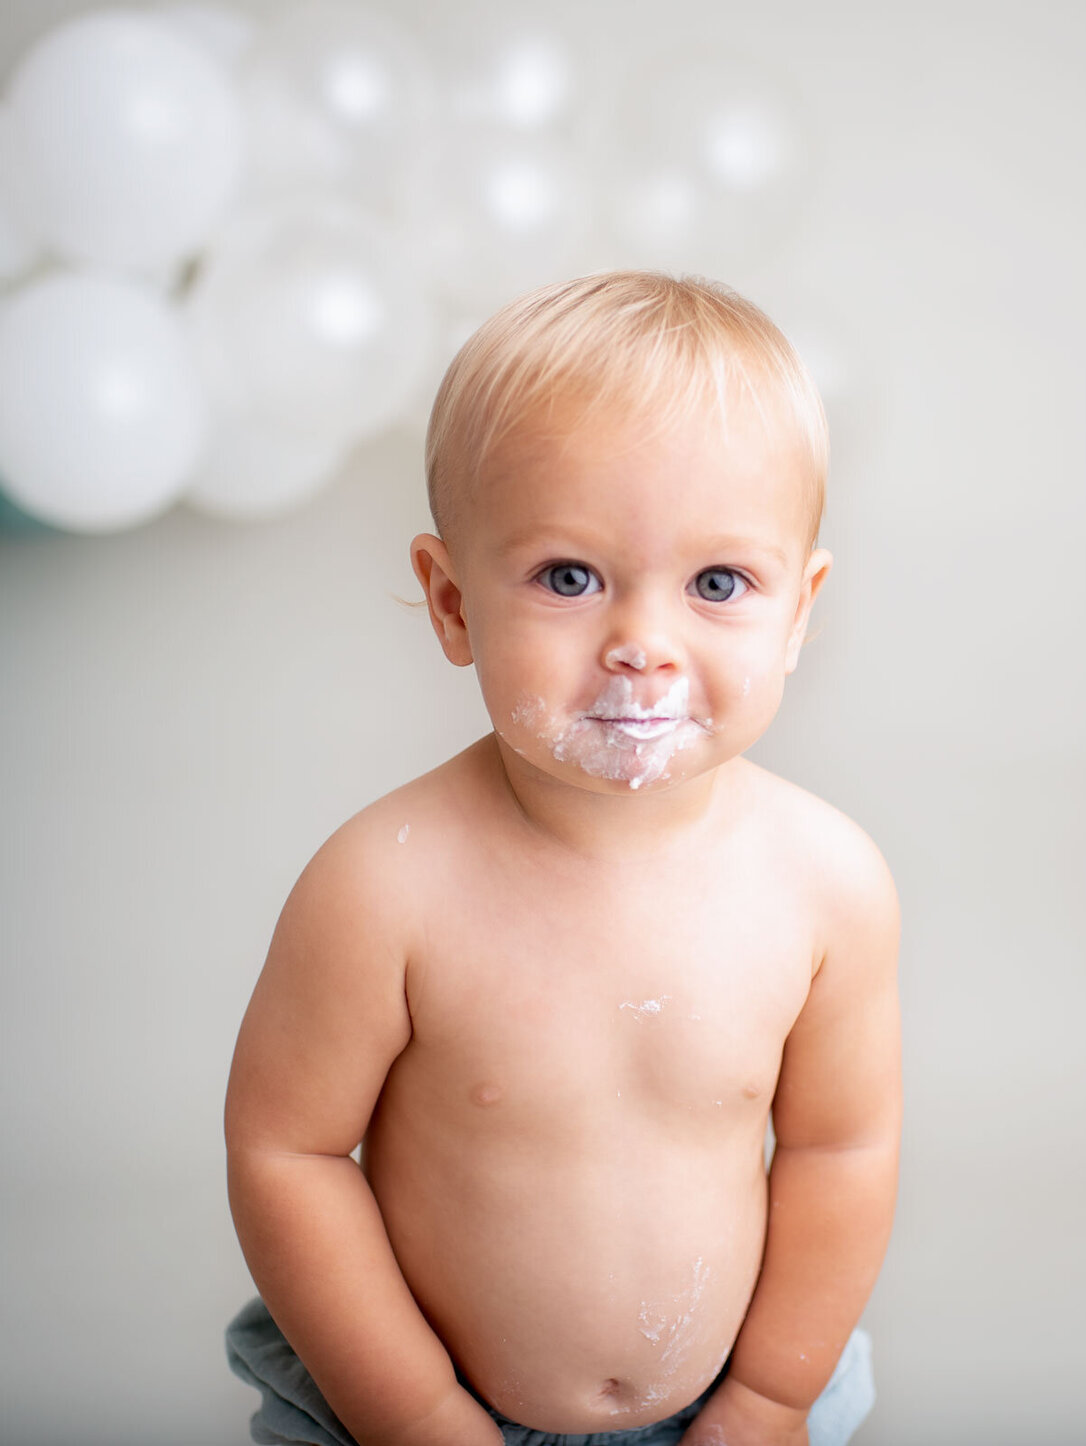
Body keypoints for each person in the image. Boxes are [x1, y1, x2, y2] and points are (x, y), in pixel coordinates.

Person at [224, 271, 902, 1446]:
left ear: (798, 610)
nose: (643, 643)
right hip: (411, 1408)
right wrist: (416, 1412)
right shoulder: (385, 887)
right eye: (569, 577)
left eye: (718, 583)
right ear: (450, 602)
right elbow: (287, 1152)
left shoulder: (826, 886)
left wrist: (771, 1397)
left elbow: (842, 1148)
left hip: (732, 1410)